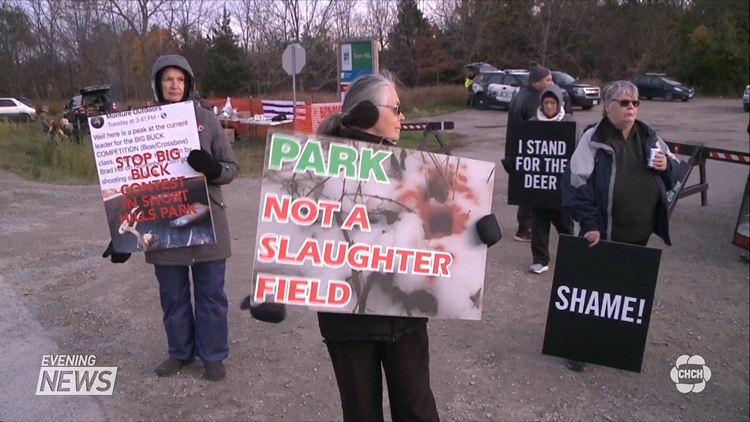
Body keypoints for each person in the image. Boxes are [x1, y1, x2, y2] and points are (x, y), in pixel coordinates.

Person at [315, 73, 500, 422]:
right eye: (396, 108)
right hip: (347, 317)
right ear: (369, 112)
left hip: (403, 311)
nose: (403, 117)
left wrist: (477, 229)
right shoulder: (319, 166)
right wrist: (274, 285)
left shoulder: (411, 168)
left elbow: (438, 226)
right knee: (360, 413)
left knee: (417, 409)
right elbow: (295, 229)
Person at [102, 54, 240, 382]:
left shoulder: (206, 120)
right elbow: (128, 175)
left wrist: (213, 169)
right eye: (168, 80)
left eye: (180, 79)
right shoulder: (141, 124)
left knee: (211, 295)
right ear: (158, 84)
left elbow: (231, 168)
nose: (174, 85)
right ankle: (179, 352)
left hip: (207, 221)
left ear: (188, 83)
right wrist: (122, 234)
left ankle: (213, 354)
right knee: (173, 295)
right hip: (162, 222)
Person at [561, 80, 681, 372]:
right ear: (608, 106)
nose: (631, 108)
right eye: (625, 103)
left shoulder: (649, 137)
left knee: (624, 294)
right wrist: (589, 223)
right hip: (600, 235)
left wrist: (669, 166)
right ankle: (578, 347)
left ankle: (615, 345)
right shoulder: (593, 138)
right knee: (590, 295)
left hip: (638, 234)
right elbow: (576, 185)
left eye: (636, 103)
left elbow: (677, 168)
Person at [527, 84, 575, 274]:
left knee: (564, 224)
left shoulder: (569, 124)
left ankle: (571, 256)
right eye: (546, 102)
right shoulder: (531, 122)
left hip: (561, 188)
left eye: (552, 103)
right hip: (537, 185)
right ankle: (540, 259)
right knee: (538, 225)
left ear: (559, 104)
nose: (549, 107)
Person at [504, 61, 554, 242]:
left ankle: (524, 227)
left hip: (516, 148)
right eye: (548, 79)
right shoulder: (534, 99)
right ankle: (526, 228)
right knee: (531, 190)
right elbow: (539, 127)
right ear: (537, 82)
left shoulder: (520, 95)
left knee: (526, 189)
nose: (551, 82)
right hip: (528, 150)